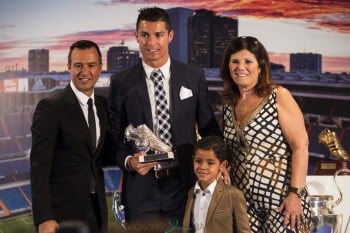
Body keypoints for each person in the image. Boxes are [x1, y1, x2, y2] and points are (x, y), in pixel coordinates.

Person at [108, 6, 221, 232]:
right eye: (145, 35)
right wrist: (129, 161)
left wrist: (219, 161)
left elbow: (210, 129)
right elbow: (114, 138)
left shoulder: (193, 76)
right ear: (137, 37)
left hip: (185, 184)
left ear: (170, 36)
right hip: (141, 190)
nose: (151, 43)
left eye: (158, 35)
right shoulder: (121, 82)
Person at [220, 36, 311, 233]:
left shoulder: (278, 95)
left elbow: (301, 147)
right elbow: (229, 149)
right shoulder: (228, 105)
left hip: (282, 202)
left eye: (248, 61)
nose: (240, 67)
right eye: (234, 61)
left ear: (261, 67)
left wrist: (295, 194)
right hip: (243, 204)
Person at [30, 40, 110, 233]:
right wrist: (44, 217)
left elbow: (101, 156)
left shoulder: (103, 105)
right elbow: (39, 166)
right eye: (78, 65)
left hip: (96, 209)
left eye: (91, 65)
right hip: (62, 214)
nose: (85, 72)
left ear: (100, 67)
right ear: (68, 67)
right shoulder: (50, 107)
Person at [182, 136, 250, 233]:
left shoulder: (233, 195)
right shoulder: (191, 192)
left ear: (222, 165)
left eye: (210, 163)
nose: (202, 167)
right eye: (198, 161)